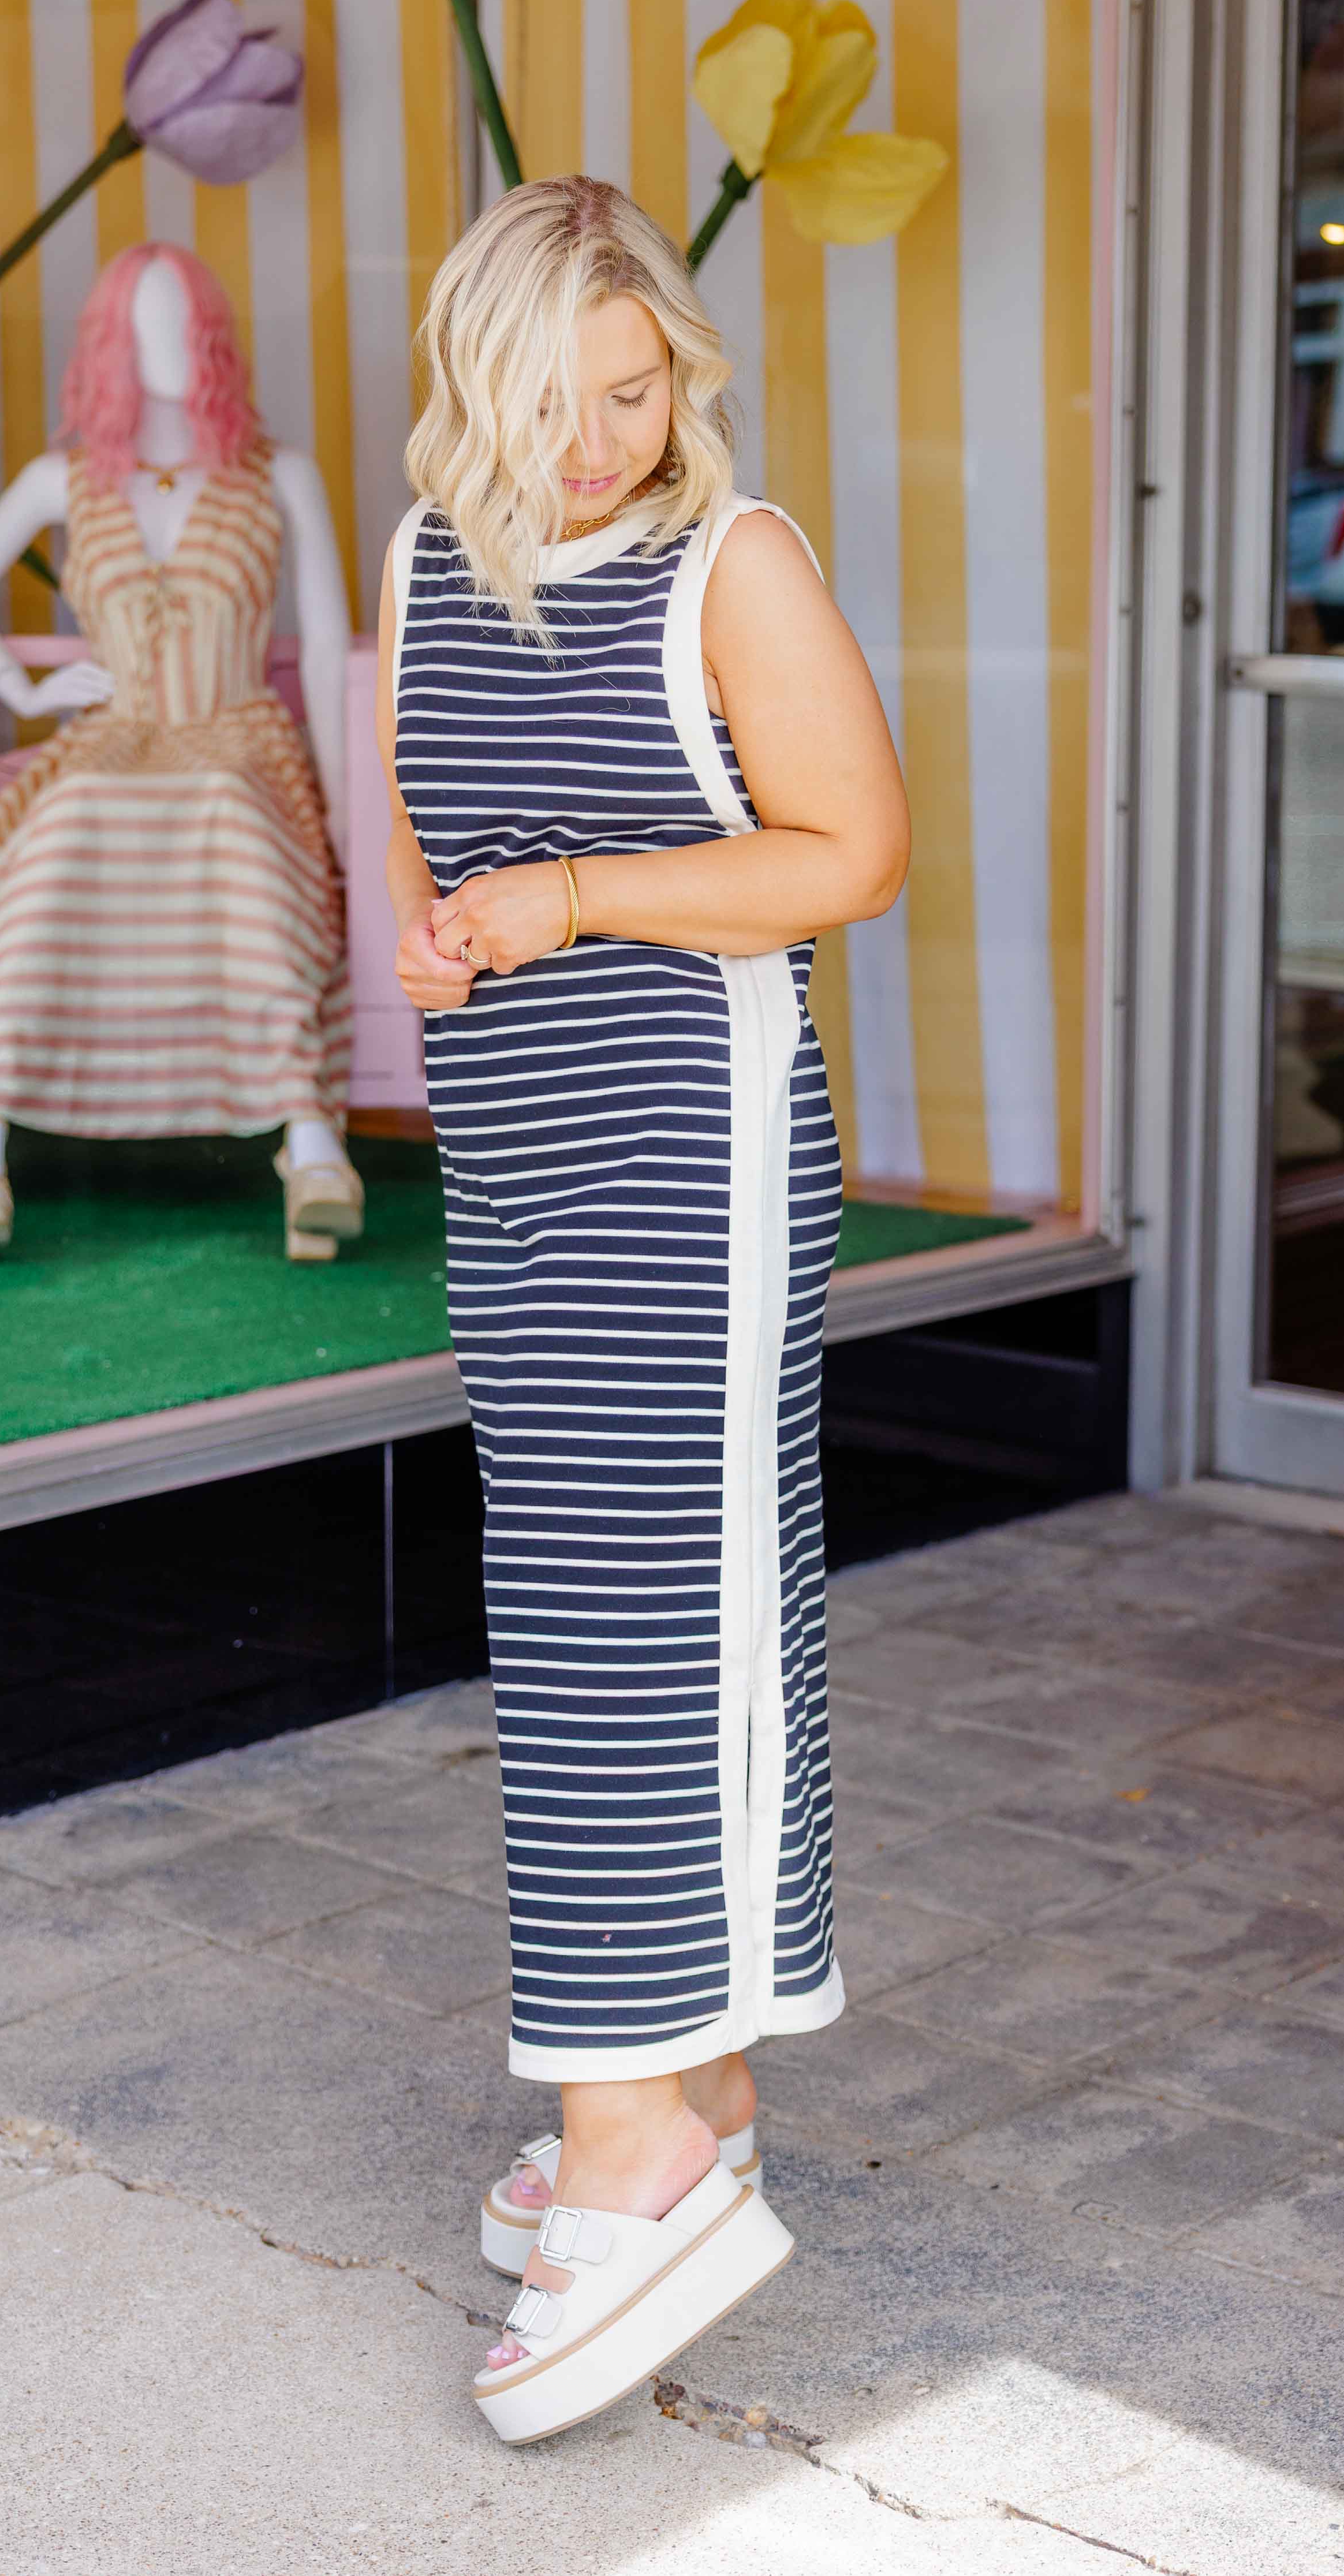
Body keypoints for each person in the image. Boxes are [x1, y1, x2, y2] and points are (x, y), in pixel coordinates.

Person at [378, 176, 910, 2444]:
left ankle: (630, 2142)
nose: (598, 439)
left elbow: (849, 850)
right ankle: (698, 2086)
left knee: (632, 1614)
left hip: (692, 1161)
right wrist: (444, 936)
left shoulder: (734, 561)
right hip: (511, 1164)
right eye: (549, 400)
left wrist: (576, 896)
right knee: (618, 1602)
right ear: (469, 389)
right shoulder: (426, 567)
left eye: (628, 388)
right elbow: (428, 850)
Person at [0, 245, 360, 1265]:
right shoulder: (67, 482)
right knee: (68, 821)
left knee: (229, 813)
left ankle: (308, 1138)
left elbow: (322, 646)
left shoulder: (278, 476)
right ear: (109, 346)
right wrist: (25, 688)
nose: (167, 350)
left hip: (238, 740)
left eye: (182, 326)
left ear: (214, 338)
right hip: (114, 743)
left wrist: (343, 802)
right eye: (142, 330)